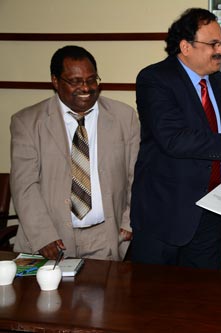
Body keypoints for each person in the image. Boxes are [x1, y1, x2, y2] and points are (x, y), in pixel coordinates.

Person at [130, 8, 221, 269]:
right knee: (151, 303)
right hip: (164, 216)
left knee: (204, 301)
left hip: (211, 214)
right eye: (213, 44)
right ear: (185, 47)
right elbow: (174, 139)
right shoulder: (155, 79)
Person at [11, 45, 140, 261]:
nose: (86, 88)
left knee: (107, 296)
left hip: (107, 237)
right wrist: (43, 236)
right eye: (75, 81)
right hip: (51, 239)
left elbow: (137, 175)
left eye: (91, 79)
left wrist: (129, 221)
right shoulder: (27, 122)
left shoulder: (123, 117)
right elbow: (24, 185)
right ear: (55, 81)